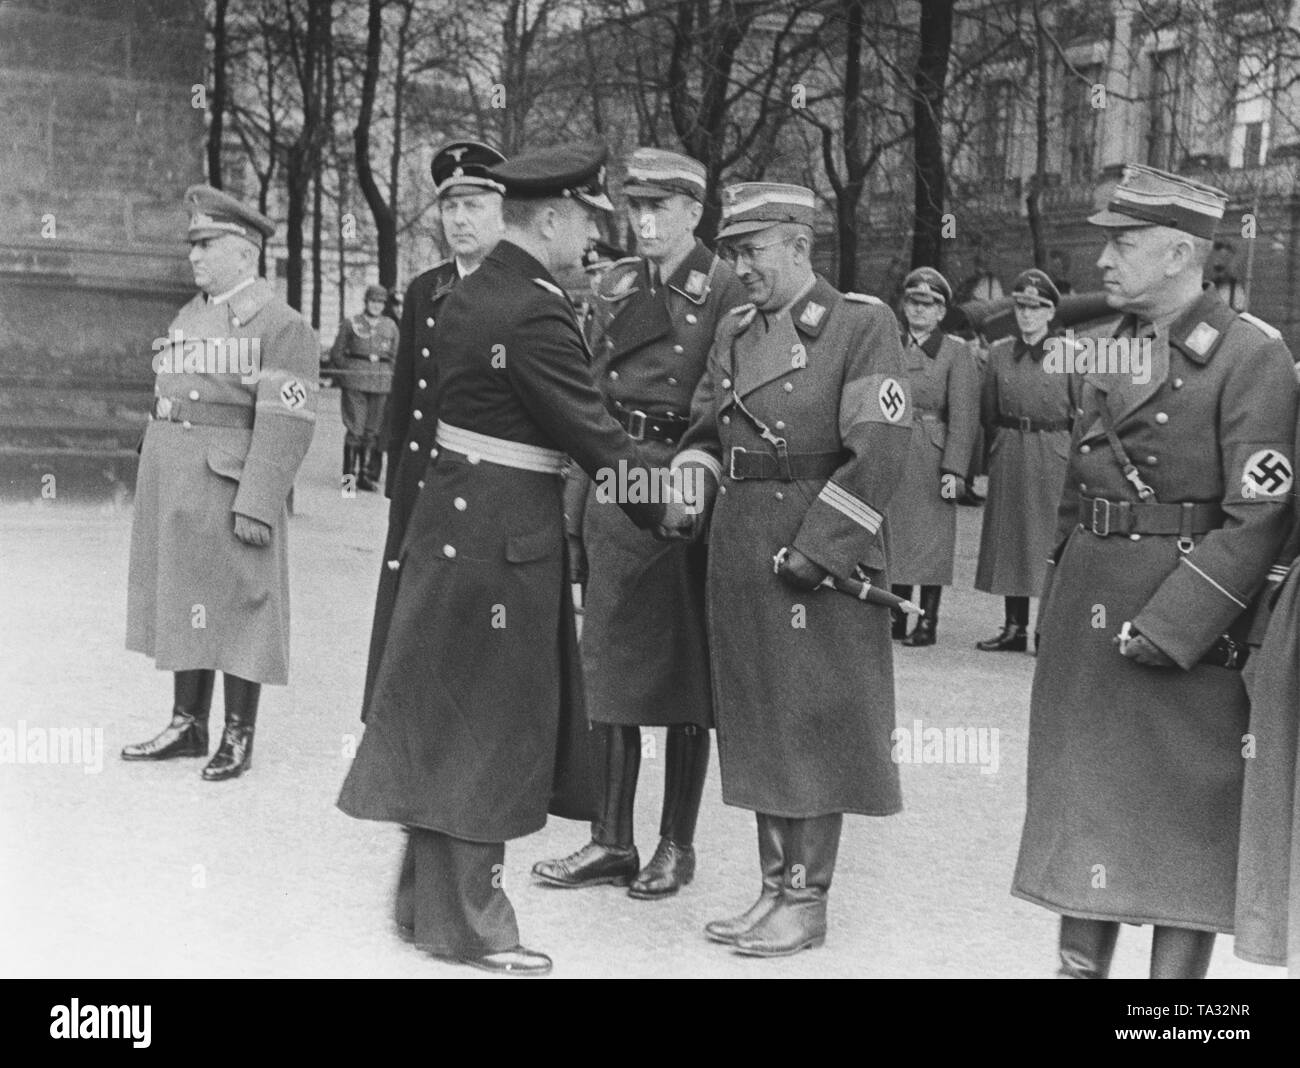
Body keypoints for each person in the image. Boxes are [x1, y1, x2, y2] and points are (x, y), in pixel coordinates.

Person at [336, 144, 687, 977]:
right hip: (500, 545)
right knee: (486, 734)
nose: (592, 242)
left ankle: (425, 909)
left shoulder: (480, 289)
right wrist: (667, 502)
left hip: (459, 528)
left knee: (443, 721)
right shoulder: (532, 308)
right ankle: (475, 927)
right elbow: (591, 432)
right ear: (555, 219)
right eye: (588, 224)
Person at [1012, 163, 1299, 979]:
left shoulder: (1250, 357)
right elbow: (1080, 486)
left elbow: (1261, 513)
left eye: (1123, 244)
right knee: (1085, 806)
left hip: (1187, 630)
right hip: (1091, 615)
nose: (1102, 261)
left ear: (1180, 254)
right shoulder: (1115, 347)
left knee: (1181, 831)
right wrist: (1058, 593)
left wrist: (1176, 625)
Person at [670, 182, 912, 956]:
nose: (739, 267)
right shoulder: (736, 330)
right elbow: (707, 429)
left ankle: (807, 900)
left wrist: (820, 548)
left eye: (752, 250)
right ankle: (774, 887)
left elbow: (880, 451)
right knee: (759, 720)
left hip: (813, 552)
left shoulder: (860, 325)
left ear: (800, 245)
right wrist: (690, 472)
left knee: (812, 721)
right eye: (732, 252)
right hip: (741, 549)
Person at [532, 148, 745, 899]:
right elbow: (587, 399)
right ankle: (610, 840)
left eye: (662, 207)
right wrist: (574, 501)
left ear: (695, 212)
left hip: (681, 483)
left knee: (685, 678)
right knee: (608, 668)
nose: (646, 221)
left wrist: (688, 488)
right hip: (614, 478)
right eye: (637, 207)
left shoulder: (724, 288)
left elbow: (723, 408)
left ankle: (675, 846)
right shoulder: (617, 284)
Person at [122, 184, 318, 781]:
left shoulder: (280, 323)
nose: (195, 257)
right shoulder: (193, 312)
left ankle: (238, 733)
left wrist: (259, 500)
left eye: (207, 245)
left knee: (244, 603)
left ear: (245, 252)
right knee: (187, 596)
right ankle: (188, 724)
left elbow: (287, 421)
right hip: (177, 477)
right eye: (193, 245)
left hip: (230, 481)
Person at [362, 140, 506, 717]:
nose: (460, 220)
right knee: (411, 614)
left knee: (471, 627)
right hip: (424, 480)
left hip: (486, 487)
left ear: (502, 210)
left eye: (474, 205)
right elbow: (407, 398)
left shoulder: (521, 292)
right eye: (450, 208)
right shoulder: (427, 290)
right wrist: (398, 483)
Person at [974, 269, 1078, 653]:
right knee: (1011, 538)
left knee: (1049, 542)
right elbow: (988, 411)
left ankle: (1045, 629)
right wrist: (999, 447)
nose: (1027, 316)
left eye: (1036, 309)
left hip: (1053, 452)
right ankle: (1014, 626)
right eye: (1021, 308)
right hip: (1010, 449)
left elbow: (1079, 413)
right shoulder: (1000, 353)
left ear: (1050, 313)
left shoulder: (1070, 354)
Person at [887, 267, 980, 646]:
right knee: (896, 537)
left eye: (929, 304)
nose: (920, 310)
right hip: (895, 449)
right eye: (913, 302)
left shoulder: (955, 352)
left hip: (932, 452)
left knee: (932, 542)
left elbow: (964, 416)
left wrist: (954, 469)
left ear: (942, 312)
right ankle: (895, 616)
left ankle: (927, 622)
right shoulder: (890, 343)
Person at [330, 283, 398, 491]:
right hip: (356, 381)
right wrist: (349, 372)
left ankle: (365, 477)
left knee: (372, 432)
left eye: (380, 302)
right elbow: (337, 353)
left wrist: (391, 377)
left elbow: (396, 355)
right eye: (372, 301)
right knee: (355, 429)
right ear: (366, 302)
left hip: (381, 382)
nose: (376, 306)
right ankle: (348, 482)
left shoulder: (390, 326)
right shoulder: (352, 323)